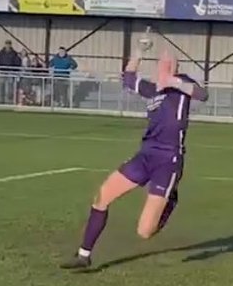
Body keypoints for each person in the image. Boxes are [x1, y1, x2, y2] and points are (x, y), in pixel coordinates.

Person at [62, 43, 208, 269]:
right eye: (162, 62)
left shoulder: (181, 85)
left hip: (168, 161)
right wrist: (139, 53)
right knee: (102, 196)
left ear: (175, 67)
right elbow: (128, 77)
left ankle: (170, 199)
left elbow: (202, 94)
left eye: (170, 63)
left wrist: (175, 82)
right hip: (145, 155)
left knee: (144, 231)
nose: (165, 66)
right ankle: (84, 255)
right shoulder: (151, 89)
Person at [0, 40, 22, 104]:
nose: (7, 45)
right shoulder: (1, 53)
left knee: (10, 87)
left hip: (10, 71)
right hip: (3, 71)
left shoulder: (14, 53)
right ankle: (2, 100)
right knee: (2, 86)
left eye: (9, 44)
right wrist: (1, 68)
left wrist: (14, 69)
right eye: (6, 44)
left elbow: (17, 61)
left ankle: (10, 100)